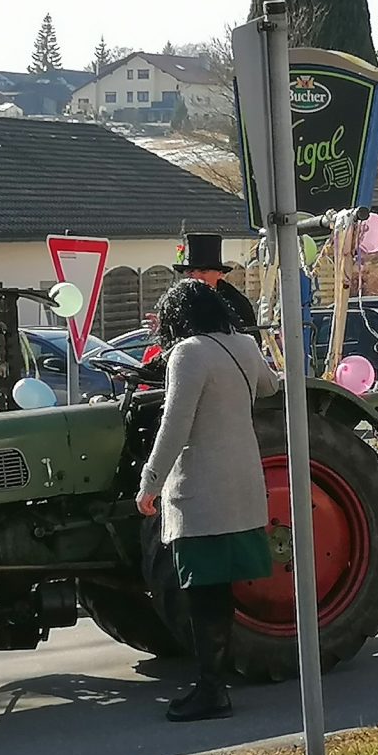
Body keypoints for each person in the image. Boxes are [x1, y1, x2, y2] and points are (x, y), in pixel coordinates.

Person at [135, 278, 278, 723]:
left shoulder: (188, 353)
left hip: (201, 490)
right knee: (219, 591)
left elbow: (175, 425)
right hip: (242, 482)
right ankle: (214, 682)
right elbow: (270, 386)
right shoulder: (244, 347)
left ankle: (212, 689)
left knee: (203, 594)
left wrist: (150, 481)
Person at [174, 233, 259, 334]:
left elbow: (250, 339)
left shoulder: (237, 304)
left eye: (203, 271)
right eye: (190, 272)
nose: (196, 277)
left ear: (220, 274)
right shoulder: (179, 302)